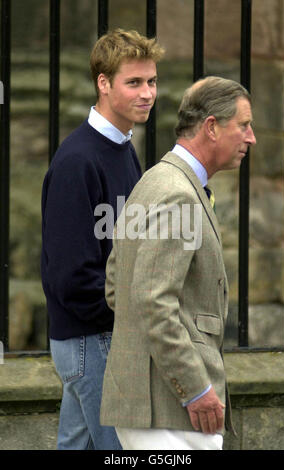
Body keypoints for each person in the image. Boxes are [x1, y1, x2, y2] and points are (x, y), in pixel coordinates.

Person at [100, 76, 256, 450]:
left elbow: (114, 286)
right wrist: (195, 388)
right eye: (244, 125)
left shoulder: (154, 180)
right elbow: (152, 300)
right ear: (212, 127)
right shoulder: (177, 195)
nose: (251, 138)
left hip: (153, 407)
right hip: (171, 413)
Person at [41, 29, 164, 450]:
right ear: (103, 83)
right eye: (134, 82)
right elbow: (71, 276)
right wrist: (130, 316)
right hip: (91, 342)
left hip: (98, 338)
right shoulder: (78, 161)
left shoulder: (122, 147)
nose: (147, 93)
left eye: (151, 81)